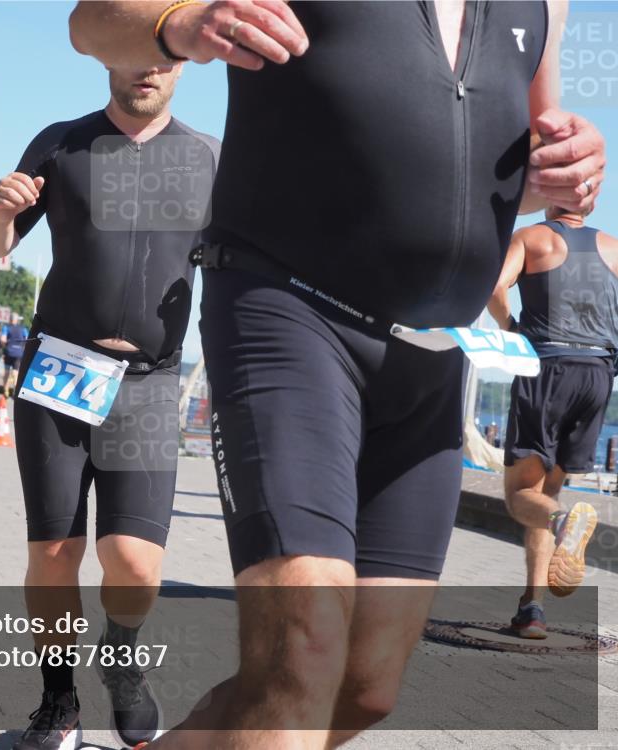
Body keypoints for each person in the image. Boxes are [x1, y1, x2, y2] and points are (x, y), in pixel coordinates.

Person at [69, 1, 606, 747]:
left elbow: (541, 150)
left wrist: (574, 162)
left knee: (364, 687)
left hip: (431, 356)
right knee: (302, 658)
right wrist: (180, 23)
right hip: (288, 314)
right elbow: (92, 20)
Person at [0, 53, 218, 750]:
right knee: (54, 551)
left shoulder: (207, 158)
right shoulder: (62, 143)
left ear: (183, 68)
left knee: (135, 561)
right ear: (109, 56)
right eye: (132, 55)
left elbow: (249, 267)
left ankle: (123, 659)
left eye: (163, 60)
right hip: (58, 374)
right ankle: (58, 703)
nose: (147, 70)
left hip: (147, 384)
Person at [487, 205, 617, 638]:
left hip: (547, 367)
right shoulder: (613, 249)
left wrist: (511, 330)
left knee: (523, 494)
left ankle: (565, 524)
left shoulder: (532, 238)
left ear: (552, 198)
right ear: (591, 205)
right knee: (550, 496)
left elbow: (495, 286)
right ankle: (533, 608)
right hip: (598, 374)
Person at [2, 313, 29, 398]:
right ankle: (15, 391)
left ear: (10, 319)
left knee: (6, 371)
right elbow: (27, 339)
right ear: (17, 320)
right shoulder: (23, 328)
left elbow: (3, 339)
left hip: (9, 351)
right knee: (15, 372)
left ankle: (6, 390)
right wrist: (23, 348)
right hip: (19, 352)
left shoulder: (6, 327)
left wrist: (4, 347)